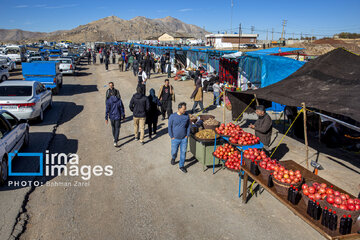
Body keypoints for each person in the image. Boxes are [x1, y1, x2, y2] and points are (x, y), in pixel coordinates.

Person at [168, 102, 191, 173]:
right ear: (179, 108)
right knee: (174, 151)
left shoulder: (186, 116)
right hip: (175, 139)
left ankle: (181, 166)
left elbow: (188, 126)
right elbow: (169, 127)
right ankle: (173, 158)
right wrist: (171, 136)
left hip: (184, 138)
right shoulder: (172, 116)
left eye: (185, 109)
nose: (185, 110)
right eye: (184, 109)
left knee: (183, 153)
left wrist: (187, 135)